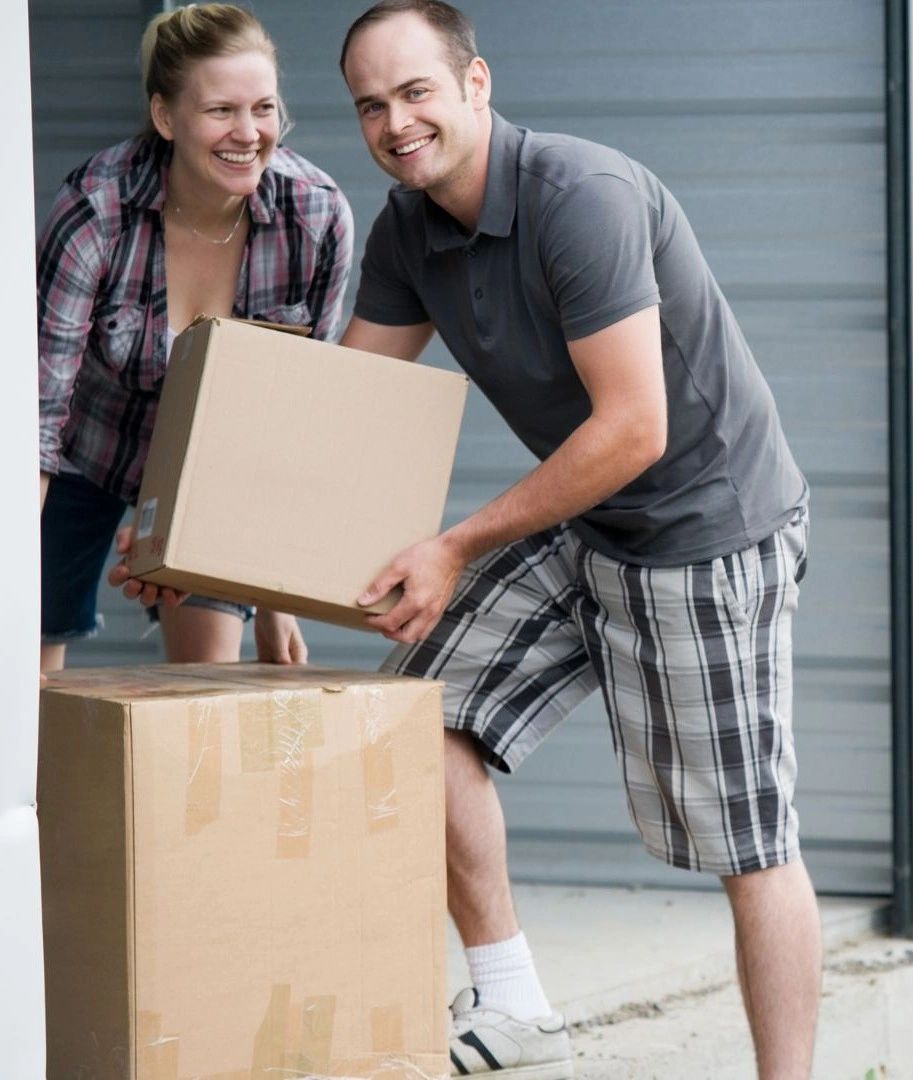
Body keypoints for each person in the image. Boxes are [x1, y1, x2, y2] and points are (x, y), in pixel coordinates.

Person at [336, 2, 819, 1075]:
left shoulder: (579, 199)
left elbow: (636, 427)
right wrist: (224, 555)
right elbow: (343, 404)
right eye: (371, 104)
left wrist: (453, 546)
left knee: (749, 843)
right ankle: (514, 1005)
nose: (395, 122)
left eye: (415, 91)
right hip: (586, 516)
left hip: (707, 527)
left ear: (476, 83)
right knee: (421, 714)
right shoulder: (407, 229)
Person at [38, 3, 352, 674]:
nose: (248, 133)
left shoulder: (315, 217)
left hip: (210, 468)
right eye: (220, 111)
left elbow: (293, 414)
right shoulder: (96, 211)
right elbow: (37, 414)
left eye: (263, 108)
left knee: (208, 683)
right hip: (77, 453)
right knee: (26, 670)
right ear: (164, 117)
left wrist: (274, 599)